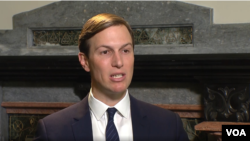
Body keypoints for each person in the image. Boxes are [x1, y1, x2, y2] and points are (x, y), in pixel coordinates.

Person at [33, 13, 189, 141]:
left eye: (125, 50)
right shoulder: (53, 131)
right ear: (85, 61)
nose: (118, 62)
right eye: (105, 52)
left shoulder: (168, 126)